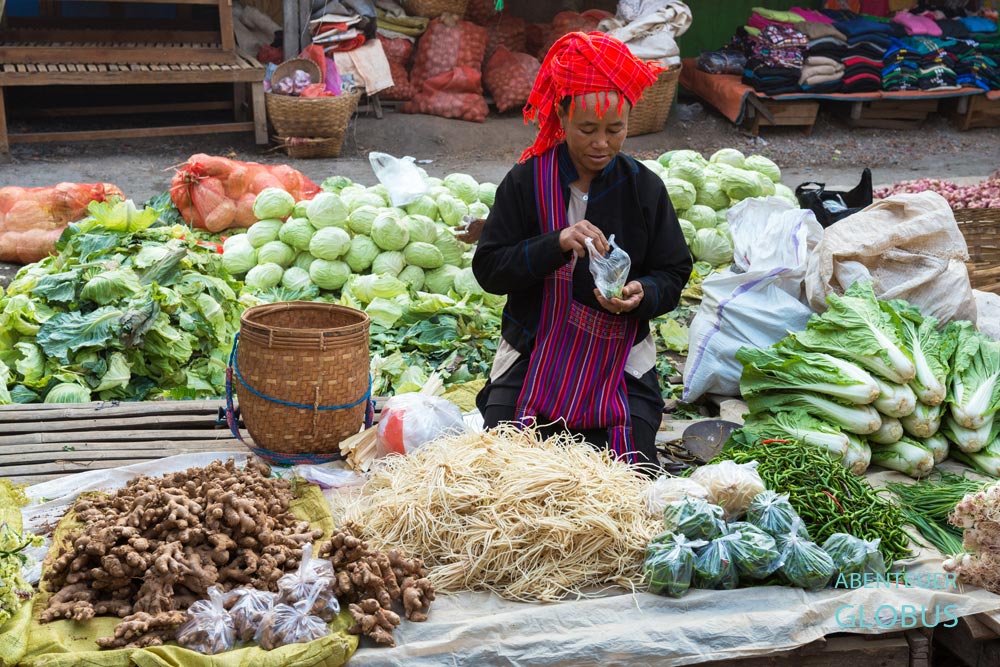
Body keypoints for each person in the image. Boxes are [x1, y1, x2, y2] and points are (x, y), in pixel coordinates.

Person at [472, 31, 693, 470]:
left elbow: (673, 271)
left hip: (621, 359)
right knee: (504, 469)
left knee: (627, 473)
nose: (602, 144)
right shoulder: (525, 182)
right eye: (587, 129)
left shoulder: (644, 188)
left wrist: (641, 294)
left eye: (616, 129)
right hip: (533, 350)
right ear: (560, 115)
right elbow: (490, 270)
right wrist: (554, 243)